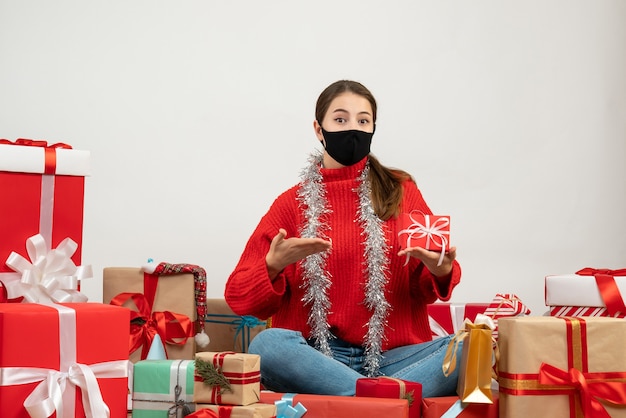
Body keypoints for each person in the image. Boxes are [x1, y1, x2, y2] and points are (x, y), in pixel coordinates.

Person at [225, 79, 462, 398]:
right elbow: (240, 298)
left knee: (469, 347)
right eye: (340, 119)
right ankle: (386, 402)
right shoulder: (290, 205)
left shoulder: (401, 192)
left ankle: (366, 402)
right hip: (318, 361)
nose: (353, 129)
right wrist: (272, 266)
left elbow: (427, 284)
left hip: (393, 359)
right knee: (267, 345)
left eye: (363, 121)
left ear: (373, 128)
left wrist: (440, 269)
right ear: (318, 129)